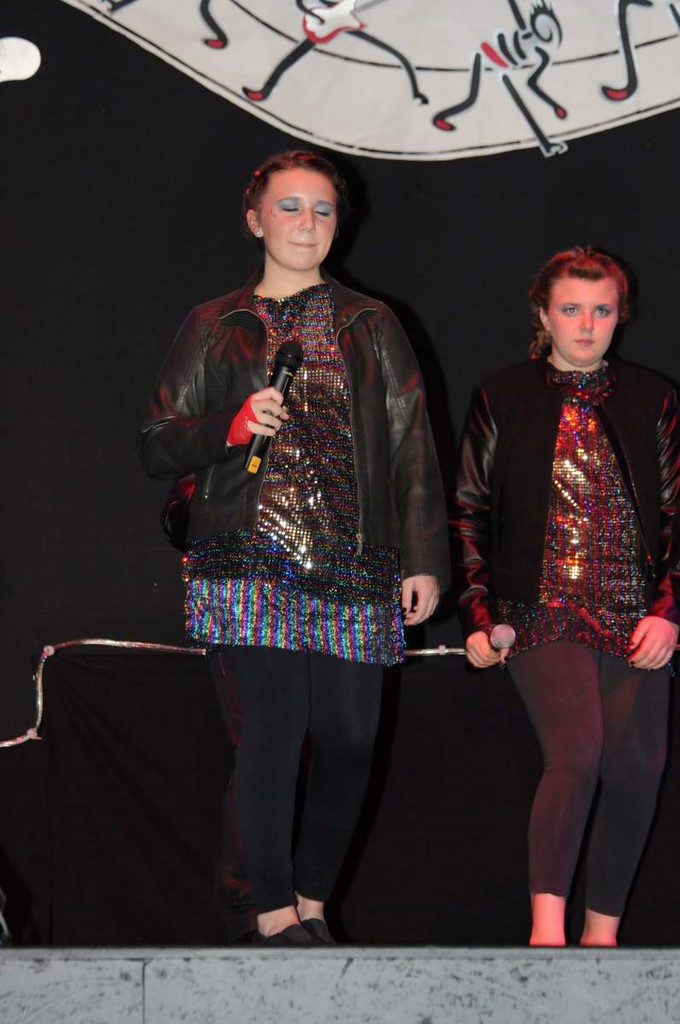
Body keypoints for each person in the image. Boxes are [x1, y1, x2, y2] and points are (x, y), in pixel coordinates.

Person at [138, 150, 449, 945]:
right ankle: (270, 912)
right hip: (247, 557)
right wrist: (232, 425)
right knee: (273, 728)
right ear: (255, 220)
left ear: (339, 224)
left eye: (322, 209)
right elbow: (156, 441)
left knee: (349, 741)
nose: (307, 223)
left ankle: (311, 902)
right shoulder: (214, 324)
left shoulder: (371, 323)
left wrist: (423, 557)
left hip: (354, 557)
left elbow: (412, 444)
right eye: (289, 207)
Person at [452, 246, 680, 947]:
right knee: (577, 750)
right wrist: (478, 614)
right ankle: (546, 937)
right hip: (541, 608)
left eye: (601, 310)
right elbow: (469, 511)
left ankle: (600, 940)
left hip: (632, 610)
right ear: (544, 315)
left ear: (620, 316)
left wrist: (668, 613)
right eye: (572, 309)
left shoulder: (654, 398)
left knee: (638, 766)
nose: (586, 325)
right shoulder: (503, 394)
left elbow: (677, 516)